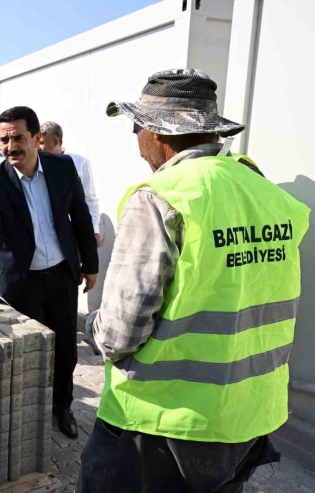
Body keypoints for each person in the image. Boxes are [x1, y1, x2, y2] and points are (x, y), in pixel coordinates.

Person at [78, 69, 310, 493]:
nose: (135, 136)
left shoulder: (161, 195)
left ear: (160, 133)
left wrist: (91, 329)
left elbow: (118, 335)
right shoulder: (266, 193)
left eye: (137, 126)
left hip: (159, 422)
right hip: (247, 416)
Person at [0, 106, 98, 440]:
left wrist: (90, 264)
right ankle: (21, 414)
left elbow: (80, 215)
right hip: (19, 280)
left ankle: (62, 406)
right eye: (3, 139)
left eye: (17, 137)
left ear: (37, 137)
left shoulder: (62, 168)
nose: (10, 146)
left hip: (61, 275)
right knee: (21, 351)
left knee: (65, 350)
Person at [39, 122, 101, 246]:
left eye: (41, 142)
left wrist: (94, 230)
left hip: (74, 229)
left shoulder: (80, 162)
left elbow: (89, 198)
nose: (37, 147)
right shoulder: (36, 164)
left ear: (55, 142)